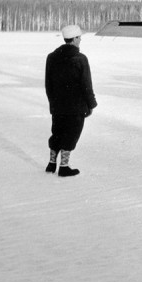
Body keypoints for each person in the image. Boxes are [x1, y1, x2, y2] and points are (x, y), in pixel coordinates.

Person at [45, 25, 97, 177]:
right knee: (71, 135)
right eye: (79, 37)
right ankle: (64, 167)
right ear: (74, 39)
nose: (80, 39)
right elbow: (86, 84)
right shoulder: (80, 59)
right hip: (76, 107)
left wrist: (53, 103)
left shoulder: (51, 57)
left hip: (58, 106)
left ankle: (51, 164)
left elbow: (49, 84)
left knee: (57, 133)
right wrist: (91, 104)